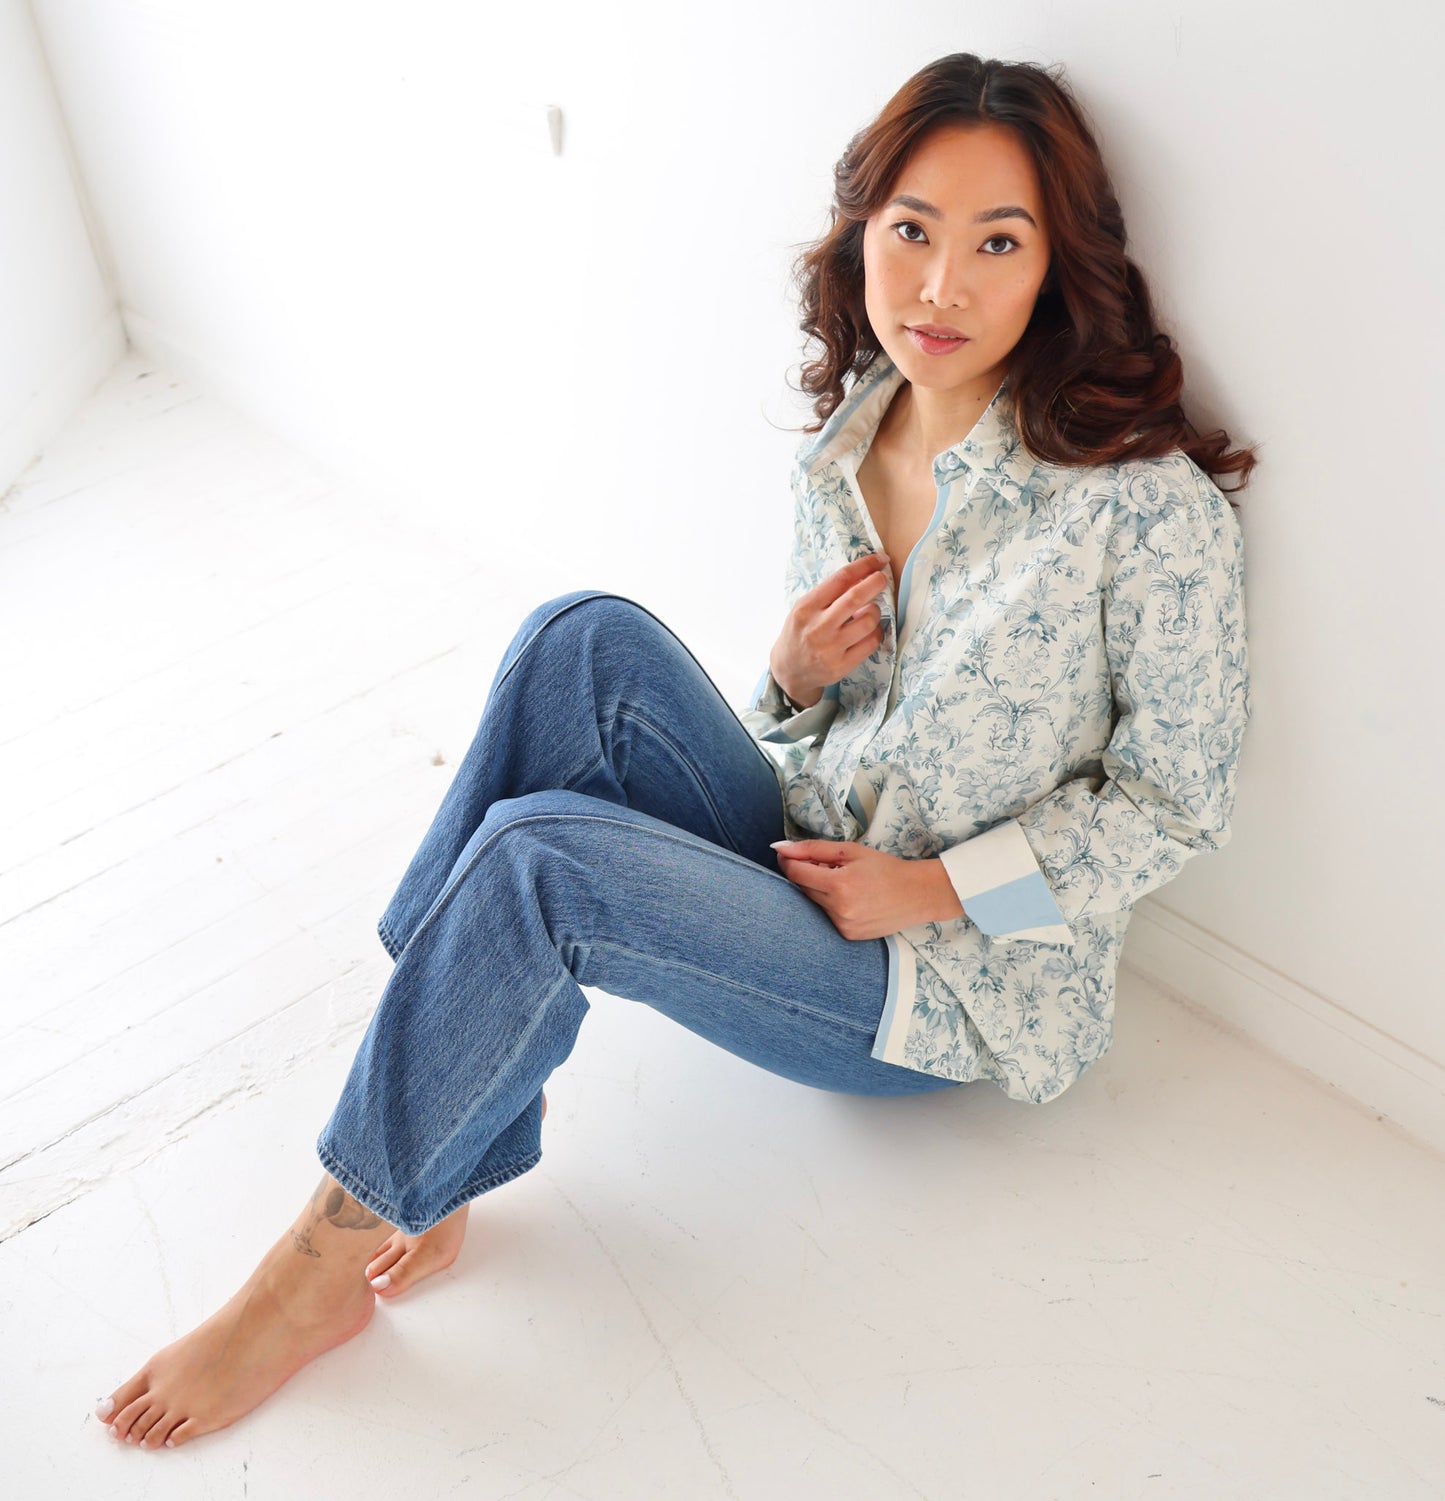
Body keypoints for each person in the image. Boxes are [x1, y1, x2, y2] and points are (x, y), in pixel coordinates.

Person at [92, 50, 1253, 1450]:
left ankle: (319, 1258)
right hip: (803, 844)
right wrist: (784, 676)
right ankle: (440, 1127)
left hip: (936, 979)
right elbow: (815, 739)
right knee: (576, 636)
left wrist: (931, 891)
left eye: (995, 243)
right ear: (862, 234)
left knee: (540, 866)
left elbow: (1174, 806)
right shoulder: (850, 438)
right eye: (911, 231)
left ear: (1057, 265)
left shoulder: (1141, 509)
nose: (939, 286)